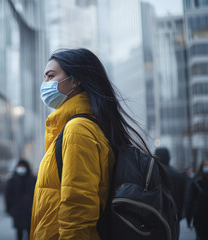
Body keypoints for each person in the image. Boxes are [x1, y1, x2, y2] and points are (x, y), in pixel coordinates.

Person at [30, 48, 153, 240]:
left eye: (51, 76)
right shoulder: (83, 126)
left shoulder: (78, 129)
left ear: (75, 80)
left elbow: (78, 208)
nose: (44, 84)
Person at [6, 159, 36, 240]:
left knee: (30, 232)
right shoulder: (12, 180)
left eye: (23, 166)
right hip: (17, 211)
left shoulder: (33, 179)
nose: (21, 168)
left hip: (29, 210)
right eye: (19, 166)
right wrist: (9, 209)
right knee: (19, 233)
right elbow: (8, 196)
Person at [154, 147, 187, 221]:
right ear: (168, 157)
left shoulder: (153, 174)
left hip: (157, 215)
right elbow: (183, 196)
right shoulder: (178, 175)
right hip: (175, 214)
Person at [185, 160, 208, 240]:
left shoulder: (196, 181)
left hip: (199, 216)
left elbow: (190, 200)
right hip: (200, 216)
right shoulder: (196, 181)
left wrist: (188, 218)